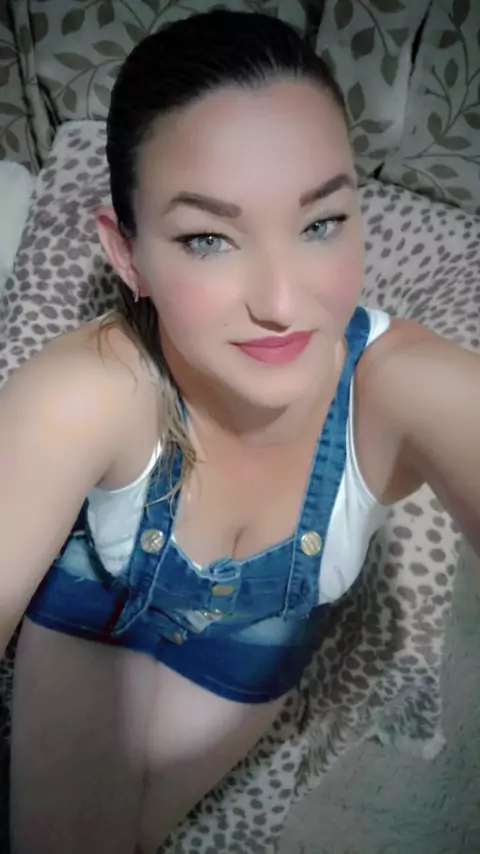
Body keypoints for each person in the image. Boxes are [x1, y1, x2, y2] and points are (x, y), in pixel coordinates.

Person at [1, 9, 479, 854]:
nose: (284, 303)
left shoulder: (403, 384)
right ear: (128, 255)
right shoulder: (88, 388)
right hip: (93, 606)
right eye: (208, 239)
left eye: (320, 223)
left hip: (254, 647)